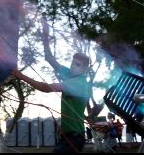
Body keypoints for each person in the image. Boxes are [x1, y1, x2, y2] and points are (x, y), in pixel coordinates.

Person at [12, 22, 91, 153]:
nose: (72, 66)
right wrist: (45, 34)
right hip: (67, 136)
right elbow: (49, 59)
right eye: (72, 63)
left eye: (77, 64)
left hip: (74, 138)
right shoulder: (71, 75)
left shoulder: (79, 83)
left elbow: (46, 87)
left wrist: (21, 76)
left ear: (85, 69)